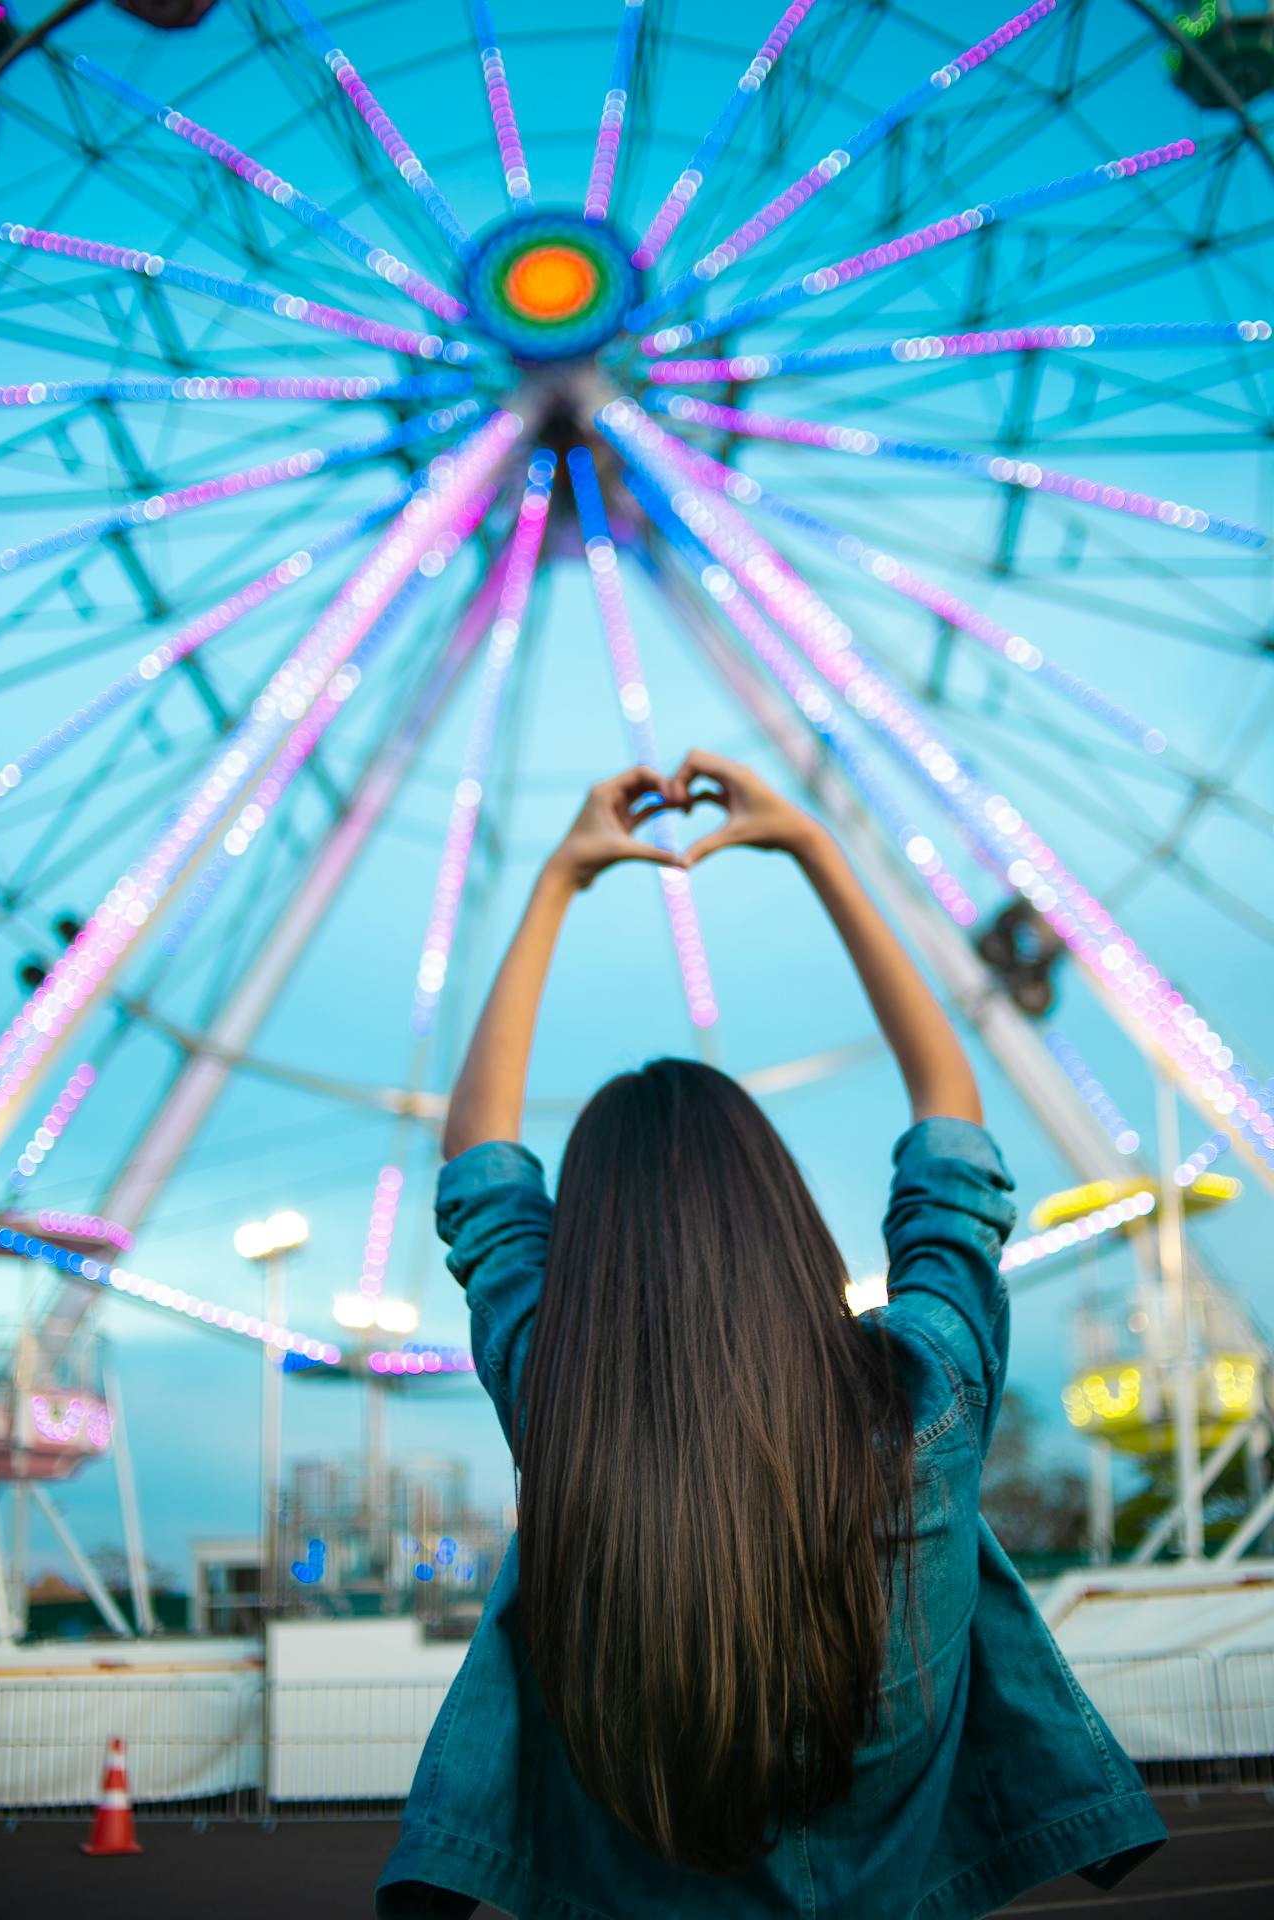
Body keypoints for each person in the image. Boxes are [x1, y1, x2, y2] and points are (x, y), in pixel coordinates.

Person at [377, 752, 1167, 1920]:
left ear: (586, 1260)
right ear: (785, 1218)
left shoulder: (563, 1403)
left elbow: (479, 1177)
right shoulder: (924, 1402)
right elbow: (950, 1133)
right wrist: (810, 846)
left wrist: (558, 878)